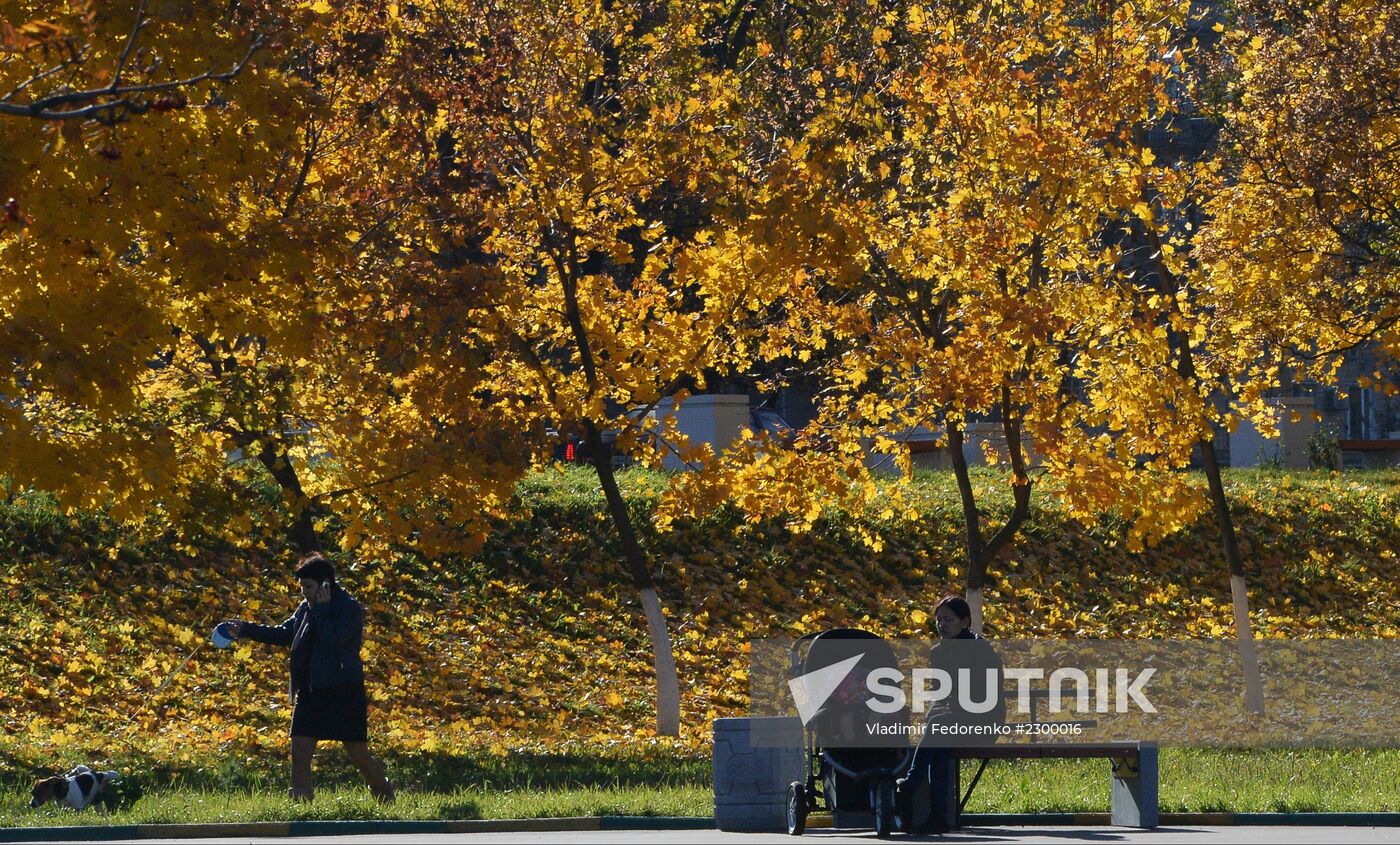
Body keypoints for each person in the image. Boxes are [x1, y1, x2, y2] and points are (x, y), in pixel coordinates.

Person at [224, 553, 395, 803]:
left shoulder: (348, 607)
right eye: (302, 586)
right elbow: (285, 634)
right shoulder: (307, 607)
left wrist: (323, 610)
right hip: (311, 690)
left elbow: (333, 641)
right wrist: (245, 630)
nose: (304, 592)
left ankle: (383, 793)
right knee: (300, 750)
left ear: (325, 584)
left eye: (308, 586)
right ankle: (301, 804)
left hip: (343, 691)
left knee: (357, 753)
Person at [897, 595, 1005, 833]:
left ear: (965, 622)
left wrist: (946, 709)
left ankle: (911, 783)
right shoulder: (938, 652)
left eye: (948, 619)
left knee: (938, 728)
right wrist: (937, 709)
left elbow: (984, 697)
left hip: (983, 721)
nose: (941, 625)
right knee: (939, 744)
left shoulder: (979, 649)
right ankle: (938, 818)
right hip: (952, 721)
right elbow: (940, 692)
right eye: (938, 620)